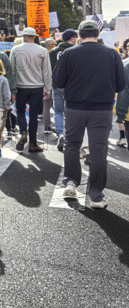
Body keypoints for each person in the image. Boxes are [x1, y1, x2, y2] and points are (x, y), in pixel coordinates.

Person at [53, 20, 126, 209]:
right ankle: (96, 195)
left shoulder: (68, 53)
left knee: (72, 145)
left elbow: (58, 82)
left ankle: (70, 182)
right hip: (101, 109)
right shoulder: (112, 53)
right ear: (97, 33)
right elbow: (120, 85)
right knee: (99, 150)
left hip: (75, 107)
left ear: (79, 34)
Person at [10, 27, 52, 152]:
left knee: (21, 112)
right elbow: (47, 71)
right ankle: (33, 142)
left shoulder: (15, 50)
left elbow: (11, 71)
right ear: (34, 37)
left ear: (24, 36)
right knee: (34, 115)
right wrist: (48, 89)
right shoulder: (43, 50)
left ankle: (23, 132)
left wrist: (12, 89)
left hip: (20, 87)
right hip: (37, 87)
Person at [49, 29, 78, 151]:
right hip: (72, 86)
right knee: (71, 111)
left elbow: (48, 69)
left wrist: (48, 85)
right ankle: (69, 134)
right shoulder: (75, 51)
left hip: (57, 86)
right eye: (75, 38)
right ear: (72, 39)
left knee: (58, 111)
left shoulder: (53, 51)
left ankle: (60, 133)